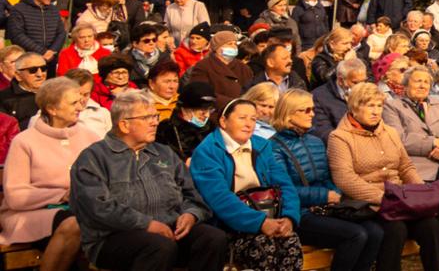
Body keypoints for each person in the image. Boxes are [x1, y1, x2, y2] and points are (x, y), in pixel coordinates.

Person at [70, 91, 229, 271]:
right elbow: (97, 207)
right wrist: (146, 224)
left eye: (155, 116)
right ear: (124, 125)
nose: (155, 122)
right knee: (159, 246)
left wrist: (191, 214)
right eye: (147, 118)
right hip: (113, 237)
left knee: (213, 238)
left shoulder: (164, 153)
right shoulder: (94, 158)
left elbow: (192, 194)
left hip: (170, 229)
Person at [327, 82, 439, 271]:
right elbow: (345, 179)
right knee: (395, 229)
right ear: (355, 108)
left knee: (431, 225)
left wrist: (420, 193)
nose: (376, 111)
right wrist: (384, 199)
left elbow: (405, 166)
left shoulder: (389, 132)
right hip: (369, 204)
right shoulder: (340, 138)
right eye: (370, 106)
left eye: (379, 106)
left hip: (400, 200)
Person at [269, 89, 384, 271]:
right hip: (299, 213)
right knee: (356, 235)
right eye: (306, 110)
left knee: (375, 232)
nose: (312, 114)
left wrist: (335, 193)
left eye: (312, 109)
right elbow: (283, 190)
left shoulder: (315, 141)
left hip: (327, 208)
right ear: (288, 113)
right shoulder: (274, 147)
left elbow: (328, 178)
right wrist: (324, 195)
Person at [189, 98, 304, 271]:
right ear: (223, 121)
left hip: (269, 214)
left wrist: (289, 217)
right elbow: (219, 198)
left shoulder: (262, 145)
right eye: (242, 118)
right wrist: (260, 222)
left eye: (253, 119)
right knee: (263, 247)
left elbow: (285, 184)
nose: (249, 124)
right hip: (230, 224)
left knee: (290, 242)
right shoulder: (207, 151)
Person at [1, 77, 100, 271]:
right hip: (30, 214)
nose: (80, 107)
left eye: (80, 100)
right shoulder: (25, 141)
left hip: (84, 210)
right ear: (52, 109)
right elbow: (15, 196)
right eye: (73, 103)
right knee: (74, 224)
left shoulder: (90, 136)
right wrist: (61, 194)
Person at [384, 66, 439, 258]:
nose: (422, 85)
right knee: (426, 190)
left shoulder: (437, 104)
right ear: (405, 86)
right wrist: (432, 143)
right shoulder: (392, 106)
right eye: (417, 81)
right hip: (415, 164)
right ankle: (425, 239)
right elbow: (399, 138)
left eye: (426, 82)